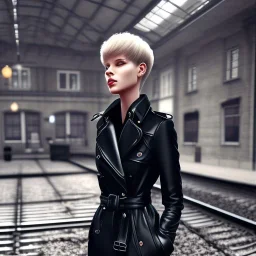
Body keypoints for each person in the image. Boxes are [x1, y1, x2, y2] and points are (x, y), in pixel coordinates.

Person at [88, 32, 184, 256]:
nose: (109, 71)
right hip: (103, 228)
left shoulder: (159, 127)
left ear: (140, 69)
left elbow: (174, 199)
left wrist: (163, 240)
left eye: (119, 63)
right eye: (107, 65)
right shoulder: (103, 125)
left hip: (139, 234)